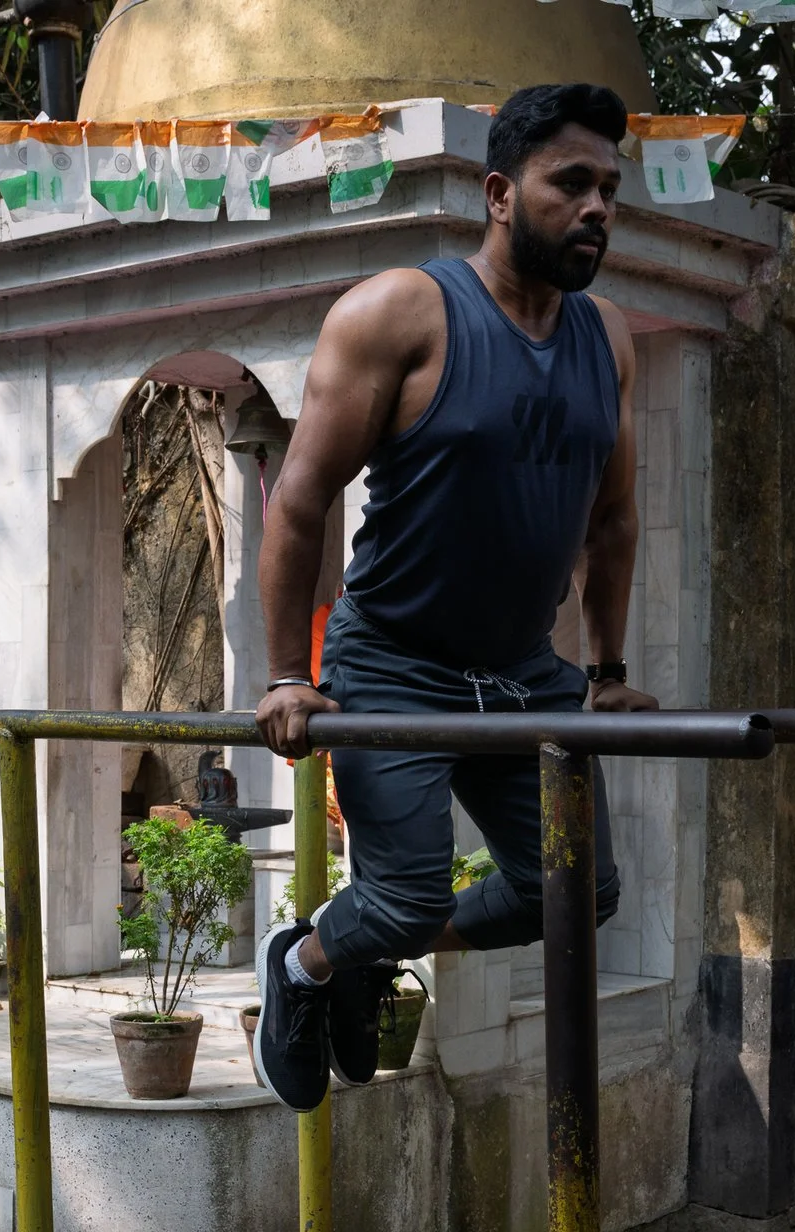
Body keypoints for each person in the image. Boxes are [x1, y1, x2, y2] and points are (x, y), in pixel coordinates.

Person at [248, 82, 657, 1111]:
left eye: (609, 186)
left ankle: (334, 954)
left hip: (526, 674)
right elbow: (299, 502)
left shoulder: (606, 339)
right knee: (402, 894)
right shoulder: (399, 314)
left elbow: (610, 519)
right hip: (391, 664)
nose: (597, 206)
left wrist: (605, 673)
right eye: (571, 182)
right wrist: (287, 676)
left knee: (578, 891)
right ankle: (305, 970)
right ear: (499, 194)